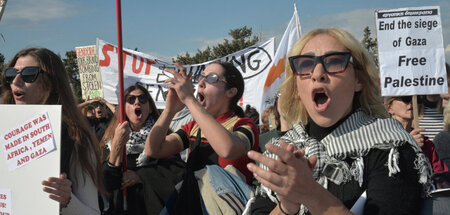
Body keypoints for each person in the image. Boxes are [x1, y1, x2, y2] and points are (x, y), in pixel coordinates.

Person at [244, 28, 433, 215]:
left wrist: (311, 194)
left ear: (358, 80)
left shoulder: (391, 147)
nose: (317, 74)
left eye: (334, 61)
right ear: (296, 86)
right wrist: (287, 204)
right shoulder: (284, 151)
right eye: (305, 65)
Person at [145, 61, 259, 214]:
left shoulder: (244, 124)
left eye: (212, 78)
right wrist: (169, 111)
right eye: (202, 76)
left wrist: (190, 100)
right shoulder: (193, 127)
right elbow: (153, 149)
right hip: (190, 203)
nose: (201, 82)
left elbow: (227, 149)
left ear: (231, 92)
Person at [1, 47, 104, 214]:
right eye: (11, 74)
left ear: (52, 83)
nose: (16, 81)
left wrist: (67, 200)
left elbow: (93, 212)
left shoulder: (76, 138)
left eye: (28, 74)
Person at [101, 83, 185, 215]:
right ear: (123, 109)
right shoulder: (110, 139)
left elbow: (178, 175)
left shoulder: (164, 137)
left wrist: (141, 176)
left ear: (150, 108)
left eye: (142, 99)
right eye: (130, 99)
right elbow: (106, 183)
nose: (137, 102)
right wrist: (117, 146)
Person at [384, 95, 448, 173]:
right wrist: (408, 146)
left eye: (416, 99)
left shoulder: (425, 143)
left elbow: (441, 175)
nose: (412, 102)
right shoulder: (382, 139)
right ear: (389, 107)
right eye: (406, 99)